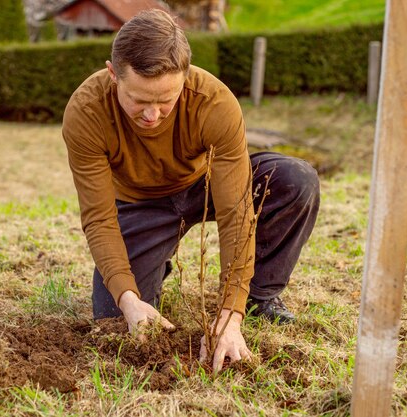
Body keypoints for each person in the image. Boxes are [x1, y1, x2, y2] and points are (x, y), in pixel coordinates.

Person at [62, 9, 319, 372]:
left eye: (166, 100)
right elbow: (100, 217)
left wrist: (231, 311)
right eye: (139, 100)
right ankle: (152, 268)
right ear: (112, 74)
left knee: (295, 180)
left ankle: (260, 297)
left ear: (185, 78)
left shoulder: (214, 102)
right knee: (112, 318)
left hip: (204, 185)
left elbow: (236, 211)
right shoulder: (86, 111)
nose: (153, 115)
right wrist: (128, 297)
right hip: (140, 203)